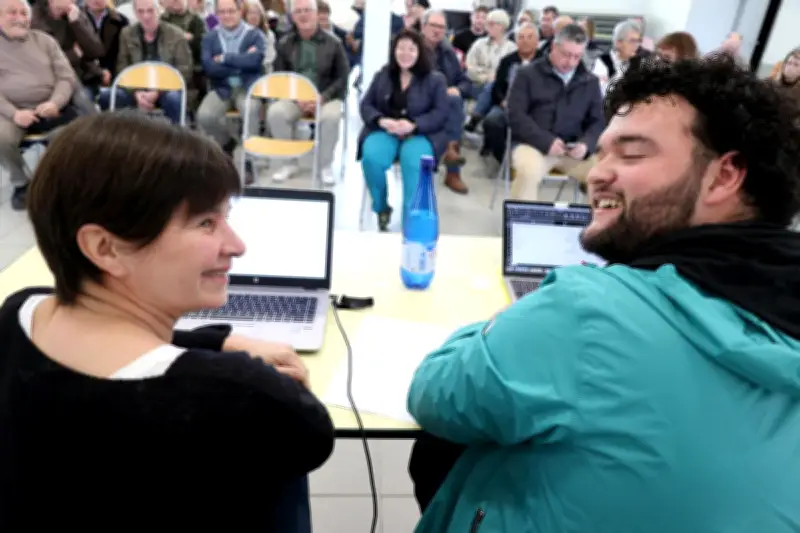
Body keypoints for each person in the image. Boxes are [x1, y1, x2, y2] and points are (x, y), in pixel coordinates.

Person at [407, 54, 800, 532]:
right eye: (602, 150)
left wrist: (510, 323)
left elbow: (435, 391)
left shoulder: (589, 311)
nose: (596, 173)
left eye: (631, 154)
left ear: (724, 176)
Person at [0, 112, 336, 530]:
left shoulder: (21, 311)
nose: (237, 245)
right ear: (105, 248)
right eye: (206, 223)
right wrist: (245, 369)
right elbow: (312, 437)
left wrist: (219, 343)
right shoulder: (238, 394)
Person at [357, 28, 448, 232]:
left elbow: (441, 113)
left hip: (420, 134)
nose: (405, 54)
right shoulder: (384, 74)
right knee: (371, 158)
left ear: (420, 53)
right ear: (394, 50)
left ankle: (411, 224)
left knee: (414, 164)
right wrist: (380, 120)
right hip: (386, 131)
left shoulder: (435, 80)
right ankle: (381, 207)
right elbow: (366, 104)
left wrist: (414, 125)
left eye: (411, 49)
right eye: (401, 48)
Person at [506, 23, 603, 200]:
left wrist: (586, 144)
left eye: (577, 56)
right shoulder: (527, 74)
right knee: (528, 172)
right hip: (533, 145)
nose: (571, 62)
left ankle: (598, 226)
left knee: (606, 176)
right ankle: (522, 225)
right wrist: (546, 141)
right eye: (566, 55)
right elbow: (516, 115)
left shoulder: (590, 82)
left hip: (573, 150)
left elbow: (598, 121)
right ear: (553, 47)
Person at [0, 0, 81, 211]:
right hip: (13, 110)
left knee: (63, 137)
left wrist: (56, 101)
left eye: (23, 13)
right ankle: (21, 183)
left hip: (52, 105)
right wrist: (14, 113)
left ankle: (59, 184)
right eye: (11, 13)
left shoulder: (45, 41)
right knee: (1, 137)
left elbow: (66, 77)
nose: (19, 18)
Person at [267, 0, 349, 185]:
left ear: (315, 14)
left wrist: (323, 97)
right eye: (298, 11)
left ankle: (324, 165)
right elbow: (279, 76)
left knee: (331, 117)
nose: (303, 15)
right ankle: (289, 162)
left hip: (326, 96)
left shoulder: (334, 43)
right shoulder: (284, 43)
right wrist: (296, 98)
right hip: (296, 98)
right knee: (276, 113)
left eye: (307, 10)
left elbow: (342, 78)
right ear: (293, 17)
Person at [196, 0, 265, 183]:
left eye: (231, 11)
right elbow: (209, 67)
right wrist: (240, 64)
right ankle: (227, 144)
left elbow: (255, 62)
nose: (227, 16)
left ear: (240, 10)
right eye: (222, 12)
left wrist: (225, 58)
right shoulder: (210, 37)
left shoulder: (254, 35)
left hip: (246, 86)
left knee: (250, 110)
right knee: (205, 115)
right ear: (217, 13)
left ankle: (249, 161)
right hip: (222, 87)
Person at [98, 0, 192, 124]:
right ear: (135, 14)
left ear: (159, 11)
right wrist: (136, 92)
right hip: (136, 88)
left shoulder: (176, 35)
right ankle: (119, 137)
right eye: (140, 12)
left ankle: (176, 139)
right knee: (108, 97)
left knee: (173, 99)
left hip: (167, 88)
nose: (146, 16)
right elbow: (122, 68)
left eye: (150, 11)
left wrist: (158, 92)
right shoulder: (127, 34)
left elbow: (185, 70)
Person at [420, 8, 471, 194]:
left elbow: (464, 80)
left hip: (446, 106)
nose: (437, 30)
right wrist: (442, 93)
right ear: (423, 26)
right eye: (433, 25)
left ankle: (451, 157)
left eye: (442, 27)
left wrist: (458, 89)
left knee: (454, 100)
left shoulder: (448, 52)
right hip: (420, 104)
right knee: (452, 102)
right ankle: (452, 165)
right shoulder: (413, 49)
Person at [481, 22, 537, 163]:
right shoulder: (507, 61)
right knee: (491, 121)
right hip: (507, 105)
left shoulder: (545, 62)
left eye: (530, 37)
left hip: (536, 109)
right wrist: (502, 101)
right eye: (521, 37)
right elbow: (497, 88)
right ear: (516, 40)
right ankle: (504, 160)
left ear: (537, 40)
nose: (525, 41)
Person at [462, 8, 515, 132]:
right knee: (489, 85)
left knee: (493, 86)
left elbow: (506, 76)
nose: (487, 27)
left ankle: (475, 118)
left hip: (496, 89)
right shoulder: (479, 44)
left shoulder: (511, 48)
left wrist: (490, 76)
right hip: (475, 85)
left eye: (491, 24)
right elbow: (469, 67)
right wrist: (486, 76)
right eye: (487, 24)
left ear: (502, 26)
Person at [83, 0, 129, 93]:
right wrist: (99, 72)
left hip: (114, 78)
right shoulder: (74, 20)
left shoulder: (120, 21)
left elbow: (122, 56)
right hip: (84, 78)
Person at [593, 19, 642, 93]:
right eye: (632, 41)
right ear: (618, 43)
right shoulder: (604, 61)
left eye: (638, 41)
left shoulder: (639, 63)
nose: (636, 45)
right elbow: (600, 92)